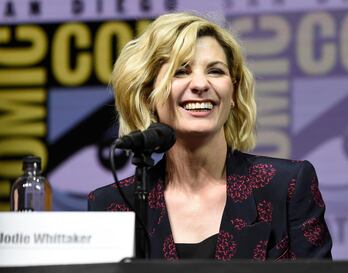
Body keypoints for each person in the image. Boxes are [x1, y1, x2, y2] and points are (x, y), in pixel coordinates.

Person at [88, 12, 332, 260]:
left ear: (234, 92)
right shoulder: (112, 205)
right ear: (149, 94)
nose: (200, 84)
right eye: (181, 71)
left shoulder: (286, 186)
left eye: (215, 71)